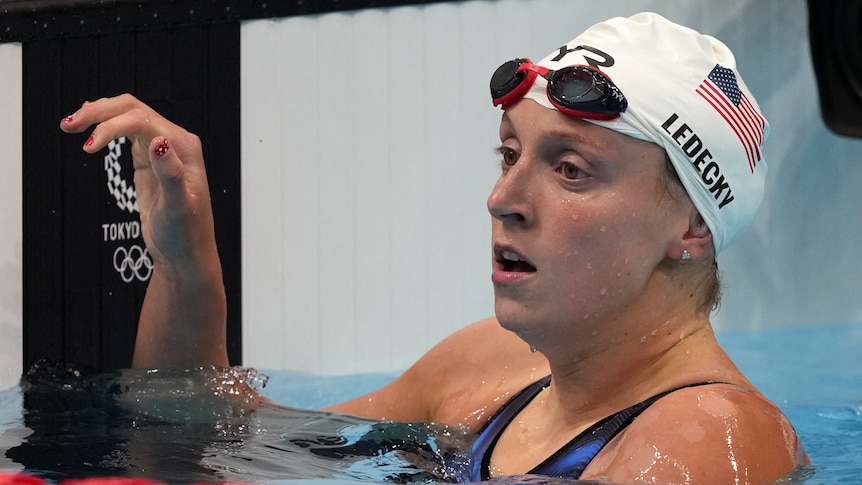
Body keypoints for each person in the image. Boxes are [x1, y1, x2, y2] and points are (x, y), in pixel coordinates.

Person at [60, 12, 807, 484]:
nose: (504, 198)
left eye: (571, 171)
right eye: (508, 153)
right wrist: (189, 264)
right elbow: (201, 434)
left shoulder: (710, 439)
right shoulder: (493, 371)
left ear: (693, 228)